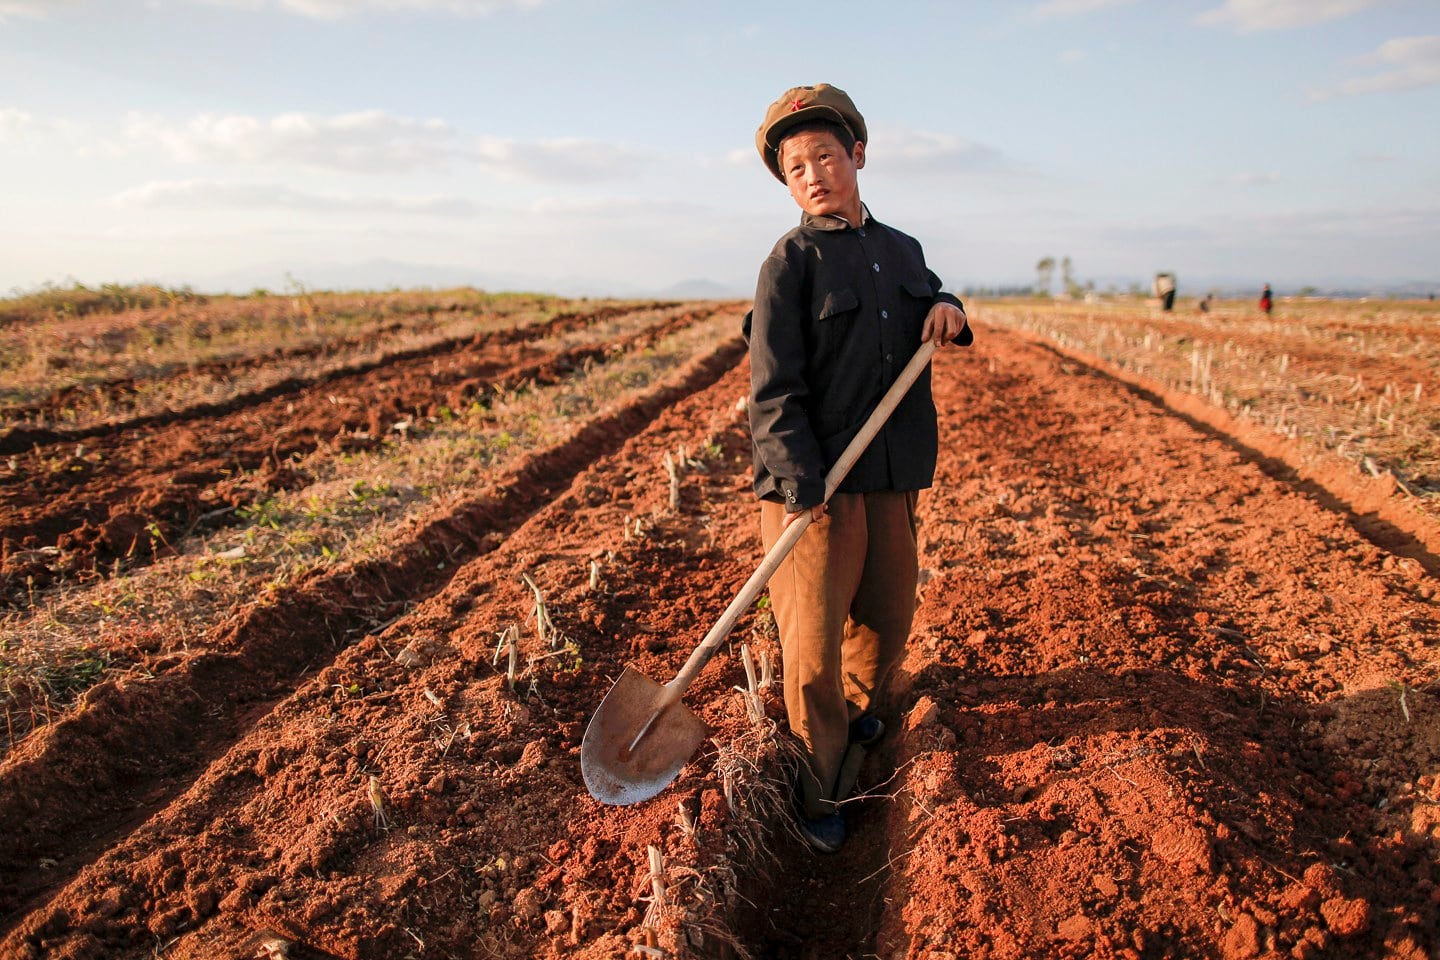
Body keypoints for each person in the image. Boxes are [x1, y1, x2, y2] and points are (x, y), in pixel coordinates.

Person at [744, 83, 972, 853]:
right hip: (815, 487)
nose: (811, 173)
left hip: (888, 474)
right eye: (795, 165)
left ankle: (862, 716)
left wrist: (945, 305)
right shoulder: (790, 263)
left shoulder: (901, 251)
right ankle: (820, 790)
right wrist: (802, 488)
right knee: (811, 646)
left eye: (824, 156)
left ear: (858, 156)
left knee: (888, 615)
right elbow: (773, 391)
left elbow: (924, 303)